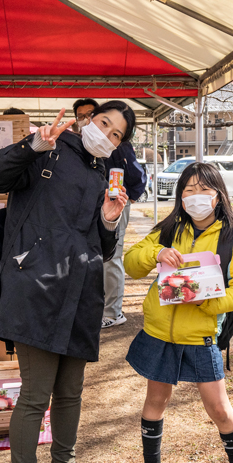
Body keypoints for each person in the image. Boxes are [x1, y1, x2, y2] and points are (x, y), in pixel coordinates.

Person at [0, 102, 137, 463]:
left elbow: (103, 249)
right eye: (104, 123)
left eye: (117, 134)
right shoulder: (47, 150)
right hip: (35, 289)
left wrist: (108, 221)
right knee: (36, 394)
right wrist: (32, 145)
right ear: (87, 120)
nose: (107, 134)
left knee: (70, 392)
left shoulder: (103, 174)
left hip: (81, 293)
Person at [123, 162, 233, 463]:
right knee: (156, 402)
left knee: (219, 408)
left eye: (204, 189)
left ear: (218, 195)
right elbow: (131, 263)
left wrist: (209, 303)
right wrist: (156, 253)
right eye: (189, 190)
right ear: (180, 197)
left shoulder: (231, 238)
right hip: (160, 334)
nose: (196, 196)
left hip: (200, 336)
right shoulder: (169, 230)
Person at [73, 98, 146, 328]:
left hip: (115, 204)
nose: (86, 120)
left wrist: (128, 197)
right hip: (91, 206)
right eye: (81, 116)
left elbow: (137, 175)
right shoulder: (77, 144)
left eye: (89, 114)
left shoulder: (117, 145)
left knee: (111, 257)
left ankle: (113, 312)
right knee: (93, 255)